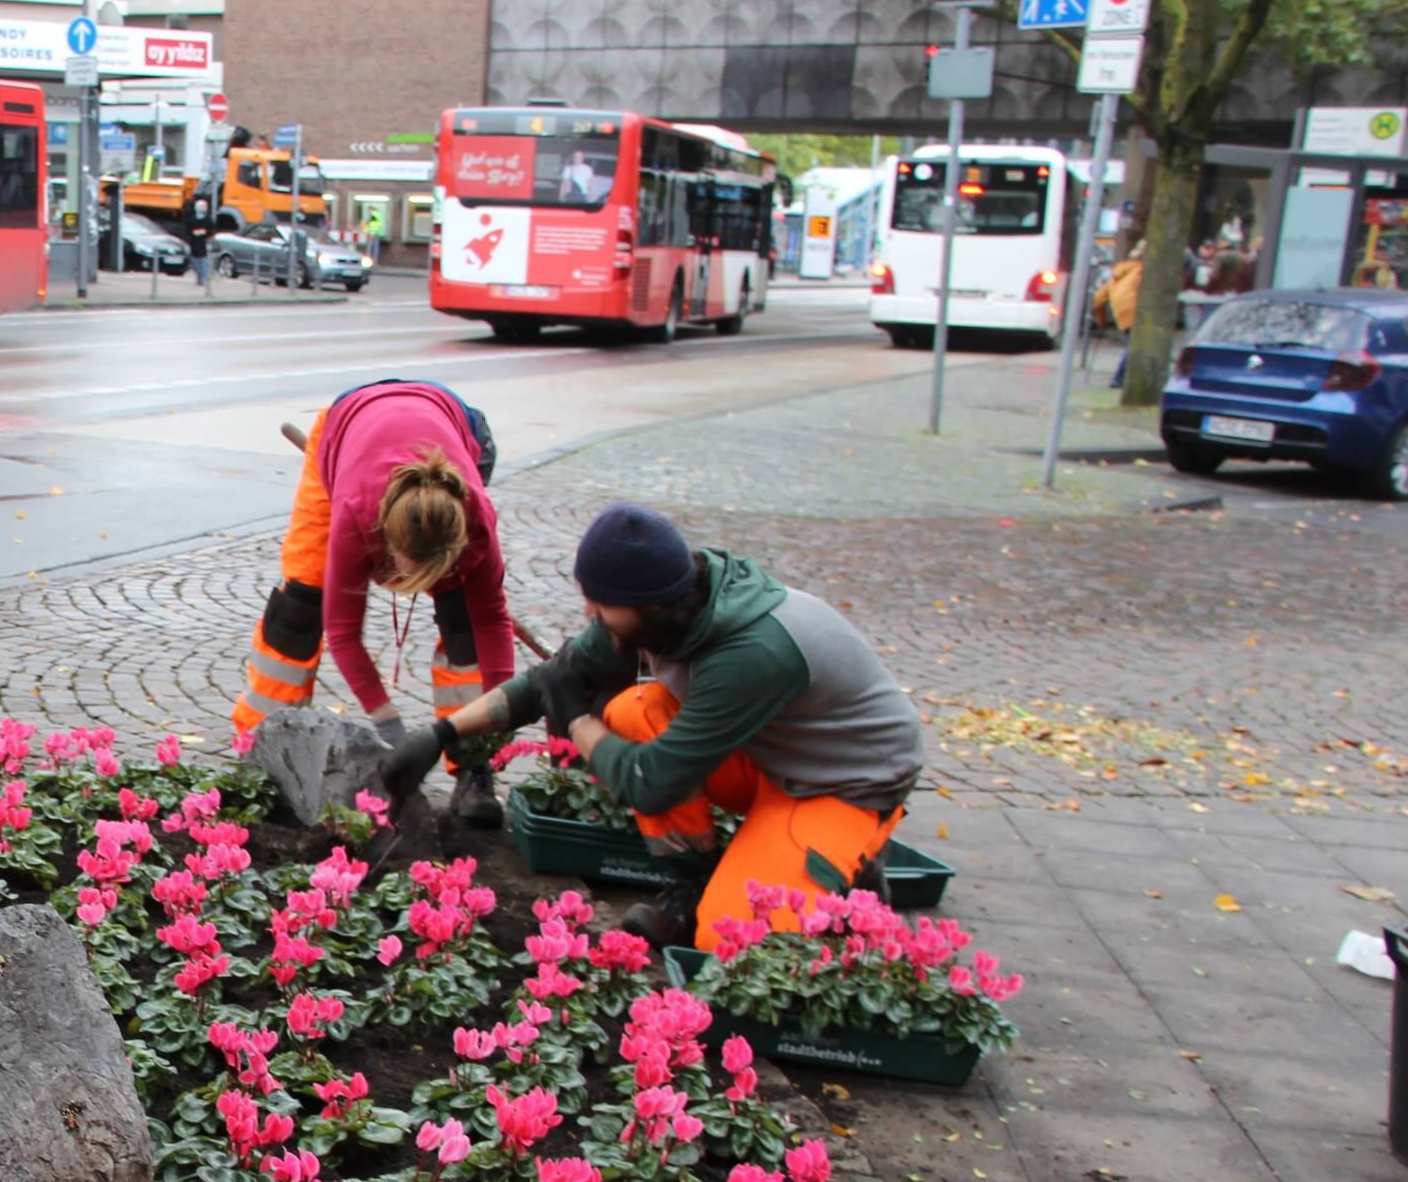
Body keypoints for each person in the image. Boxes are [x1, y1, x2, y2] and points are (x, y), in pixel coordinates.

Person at [392, 504, 924, 950]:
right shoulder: (665, 606)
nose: (588, 610)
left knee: (729, 936)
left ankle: (851, 868)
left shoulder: (750, 653)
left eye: (599, 602)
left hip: (846, 782)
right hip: (773, 754)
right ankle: (687, 884)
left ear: (647, 604)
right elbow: (549, 681)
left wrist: (578, 722)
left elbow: (654, 781)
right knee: (631, 711)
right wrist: (442, 735)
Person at [232, 379, 516, 825]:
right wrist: (391, 728)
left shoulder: (474, 519)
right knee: (301, 606)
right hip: (345, 428)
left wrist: (500, 715)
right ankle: (260, 752)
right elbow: (345, 632)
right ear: (382, 539)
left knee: (464, 621)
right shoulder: (356, 509)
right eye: (401, 571)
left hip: (458, 424)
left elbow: (494, 622)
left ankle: (475, 769)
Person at [1093, 242, 1143, 388]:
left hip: (1121, 313)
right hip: (1135, 312)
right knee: (1134, 344)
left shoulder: (1119, 272)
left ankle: (1122, 378)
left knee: (1133, 342)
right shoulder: (1142, 270)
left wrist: (1101, 322)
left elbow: (1099, 298)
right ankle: (1119, 379)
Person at [182, 185, 216, 286]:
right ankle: (200, 276)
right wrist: (193, 233)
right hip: (194, 243)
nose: (204, 209)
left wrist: (204, 233)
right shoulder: (192, 219)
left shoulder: (207, 219)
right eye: (202, 207)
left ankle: (202, 278)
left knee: (204, 261)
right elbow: (188, 230)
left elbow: (211, 229)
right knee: (194, 261)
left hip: (203, 243)